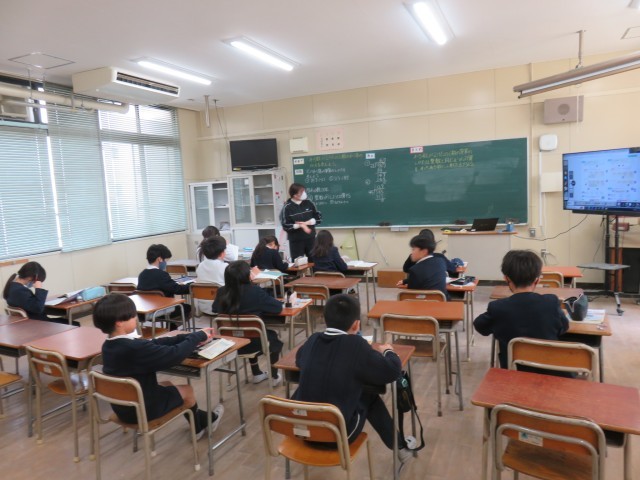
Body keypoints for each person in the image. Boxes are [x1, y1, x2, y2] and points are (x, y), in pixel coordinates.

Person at [293, 294, 415, 472]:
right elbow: (392, 371)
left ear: (325, 320)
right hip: (337, 436)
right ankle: (400, 447)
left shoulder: (313, 340)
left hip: (302, 430)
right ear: (356, 325)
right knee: (369, 396)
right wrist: (389, 351)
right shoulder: (357, 345)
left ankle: (400, 447)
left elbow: (299, 359)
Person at [93, 293, 223, 439]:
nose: (136, 318)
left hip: (123, 407)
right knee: (187, 390)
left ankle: (201, 420)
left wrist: (186, 337)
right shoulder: (134, 349)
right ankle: (199, 427)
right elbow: (174, 355)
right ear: (119, 322)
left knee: (167, 384)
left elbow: (152, 344)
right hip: (143, 410)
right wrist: (197, 337)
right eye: (132, 316)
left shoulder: (109, 345)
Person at [473, 250, 569, 370]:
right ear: (537, 280)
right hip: (549, 372)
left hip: (513, 372)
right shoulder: (551, 302)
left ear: (506, 278)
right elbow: (564, 328)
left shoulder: (498, 307)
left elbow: (480, 326)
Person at [212, 261, 284, 387]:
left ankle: (256, 373)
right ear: (246, 275)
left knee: (247, 332)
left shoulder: (221, 291)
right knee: (272, 338)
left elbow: (214, 308)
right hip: (254, 343)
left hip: (230, 342)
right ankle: (274, 376)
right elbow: (277, 308)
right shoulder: (255, 291)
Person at [3, 261, 73, 325]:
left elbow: (32, 305)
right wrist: (39, 289)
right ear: (32, 277)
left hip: (30, 323)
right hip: (38, 324)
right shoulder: (20, 291)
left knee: (64, 317)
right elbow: (38, 308)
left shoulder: (12, 287)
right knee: (74, 323)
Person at [137, 244, 191, 322]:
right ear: (159, 259)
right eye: (166, 260)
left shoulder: (142, 274)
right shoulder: (161, 274)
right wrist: (191, 285)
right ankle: (173, 326)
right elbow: (177, 289)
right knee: (188, 308)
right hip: (163, 310)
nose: (166, 263)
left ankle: (171, 326)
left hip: (147, 311)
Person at [397, 235, 449, 299]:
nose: (411, 253)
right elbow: (428, 276)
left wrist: (407, 282)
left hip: (423, 303)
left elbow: (411, 295)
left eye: (413, 249)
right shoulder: (440, 261)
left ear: (424, 251)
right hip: (442, 301)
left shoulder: (415, 270)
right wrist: (406, 281)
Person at [280, 183, 322, 261]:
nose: (304, 193)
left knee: (315, 260)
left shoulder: (309, 203)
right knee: (298, 262)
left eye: (304, 191)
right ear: (295, 195)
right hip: (296, 241)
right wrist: (299, 226)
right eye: (301, 192)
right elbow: (285, 225)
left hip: (311, 238)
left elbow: (318, 218)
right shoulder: (287, 207)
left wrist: (307, 223)